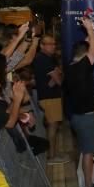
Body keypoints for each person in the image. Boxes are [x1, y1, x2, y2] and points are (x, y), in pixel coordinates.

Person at [64, 18, 94, 187]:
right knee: (88, 152)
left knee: (85, 150)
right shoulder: (81, 67)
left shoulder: (71, 68)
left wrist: (91, 35)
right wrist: (90, 29)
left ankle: (89, 180)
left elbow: (92, 45)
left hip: (77, 116)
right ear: (84, 54)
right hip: (86, 118)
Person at [32, 34, 66, 163]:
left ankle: (53, 153)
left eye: (54, 44)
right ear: (41, 46)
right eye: (49, 44)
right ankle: (52, 156)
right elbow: (58, 81)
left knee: (53, 126)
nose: (53, 46)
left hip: (49, 96)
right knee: (53, 126)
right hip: (49, 97)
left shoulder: (46, 58)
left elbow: (54, 78)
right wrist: (58, 74)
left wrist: (56, 74)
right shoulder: (43, 59)